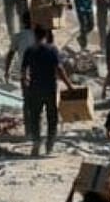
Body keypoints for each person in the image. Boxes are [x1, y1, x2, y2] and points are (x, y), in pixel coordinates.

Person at [22, 26, 73, 156]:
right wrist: (69, 85)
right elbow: (59, 69)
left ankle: (36, 142)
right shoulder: (52, 49)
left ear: (35, 36)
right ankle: (49, 145)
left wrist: (26, 81)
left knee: (35, 116)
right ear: (46, 35)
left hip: (34, 88)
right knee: (52, 117)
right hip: (50, 89)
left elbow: (24, 70)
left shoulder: (30, 50)